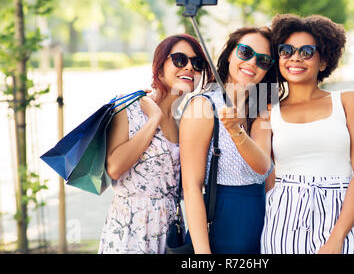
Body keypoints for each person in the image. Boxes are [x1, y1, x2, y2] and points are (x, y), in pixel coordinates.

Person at [260, 14, 354, 254]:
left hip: (338, 213)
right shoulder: (268, 110)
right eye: (287, 50)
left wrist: (337, 237)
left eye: (307, 52)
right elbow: (262, 167)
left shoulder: (348, 102)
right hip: (284, 215)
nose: (295, 58)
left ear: (323, 62)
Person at [98, 34, 212, 254]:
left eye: (196, 63)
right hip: (129, 232)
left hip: (170, 234)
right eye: (180, 59)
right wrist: (154, 120)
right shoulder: (129, 106)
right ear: (159, 68)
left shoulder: (185, 122)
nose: (189, 67)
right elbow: (114, 168)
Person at [180, 27, 277, 254]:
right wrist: (203, 254)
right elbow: (191, 186)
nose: (252, 62)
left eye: (263, 60)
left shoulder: (261, 108)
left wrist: (237, 130)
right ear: (230, 54)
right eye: (245, 52)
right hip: (221, 223)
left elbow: (264, 169)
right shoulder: (204, 106)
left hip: (262, 225)